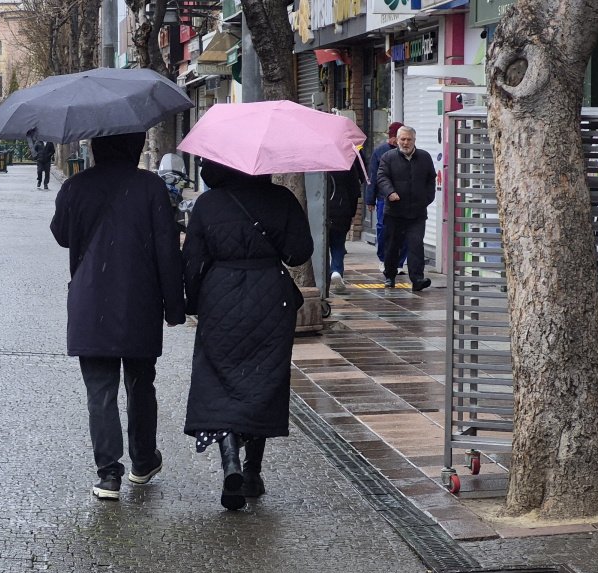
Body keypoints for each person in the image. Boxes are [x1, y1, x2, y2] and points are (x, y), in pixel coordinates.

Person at [50, 132, 186, 501]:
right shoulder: (151, 188)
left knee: (100, 390)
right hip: (138, 300)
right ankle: (143, 462)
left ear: (96, 146)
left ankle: (108, 474)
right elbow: (167, 251)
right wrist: (175, 306)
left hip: (90, 300)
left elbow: (61, 235)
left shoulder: (76, 186)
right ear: (135, 145)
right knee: (141, 385)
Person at [182, 159, 313, 510]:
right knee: (261, 382)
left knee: (220, 381)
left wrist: (194, 303)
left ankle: (230, 463)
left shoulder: (208, 203)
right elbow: (300, 252)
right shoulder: (280, 198)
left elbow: (191, 260)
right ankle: (253, 473)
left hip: (219, 297)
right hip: (270, 298)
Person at [376, 125, 436, 291]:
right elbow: (381, 178)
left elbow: (431, 179)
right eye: (403, 139)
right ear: (397, 140)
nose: (406, 142)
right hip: (395, 211)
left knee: (416, 245)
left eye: (409, 139)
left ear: (414, 140)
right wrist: (390, 193)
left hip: (417, 212)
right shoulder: (388, 157)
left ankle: (417, 279)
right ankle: (390, 276)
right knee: (392, 245)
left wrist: (426, 199)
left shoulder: (424, 157)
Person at [365, 122, 405, 272]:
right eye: (396, 137)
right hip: (383, 198)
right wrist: (370, 198)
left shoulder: (408, 152)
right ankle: (383, 259)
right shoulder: (380, 152)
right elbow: (373, 176)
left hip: (404, 199)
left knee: (404, 231)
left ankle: (399, 262)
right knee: (384, 229)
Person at [327, 167, 364, 294]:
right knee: (338, 244)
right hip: (341, 209)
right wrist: (352, 213)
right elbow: (354, 190)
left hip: (320, 209)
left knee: (321, 244)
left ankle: (323, 276)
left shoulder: (316, 158)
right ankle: (336, 270)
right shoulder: (346, 162)